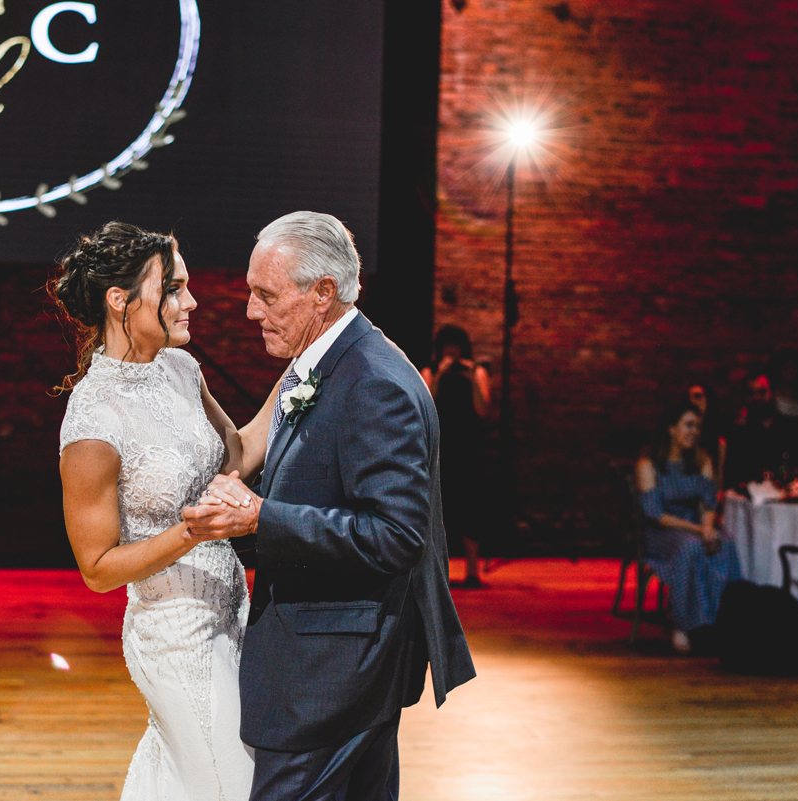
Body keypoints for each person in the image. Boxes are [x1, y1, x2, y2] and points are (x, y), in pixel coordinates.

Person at [182, 212, 476, 800]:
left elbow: (396, 534)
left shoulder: (372, 381)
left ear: (324, 293)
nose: (250, 311)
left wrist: (262, 517)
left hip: (335, 669)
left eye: (265, 295)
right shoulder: (324, 364)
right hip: (337, 658)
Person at [51, 222, 280, 800]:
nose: (192, 301)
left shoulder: (182, 370)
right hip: (176, 640)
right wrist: (190, 532)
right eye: (174, 289)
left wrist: (305, 369)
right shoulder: (92, 421)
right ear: (120, 301)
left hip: (235, 616)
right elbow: (97, 569)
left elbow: (240, 454)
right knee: (240, 789)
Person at [636, 402, 742, 654]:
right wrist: (697, 530)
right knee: (691, 547)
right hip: (662, 530)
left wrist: (707, 527)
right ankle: (683, 624)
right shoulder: (649, 463)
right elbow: (655, 514)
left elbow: (707, 503)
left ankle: (720, 622)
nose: (694, 431)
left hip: (694, 525)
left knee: (723, 544)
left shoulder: (701, 460)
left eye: (697, 427)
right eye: (688, 425)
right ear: (671, 429)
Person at [420, 325, 492, 587]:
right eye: (447, 346)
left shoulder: (477, 372)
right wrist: (439, 374)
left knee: (470, 506)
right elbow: (425, 406)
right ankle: (436, 571)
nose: (452, 351)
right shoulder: (429, 370)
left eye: (456, 346)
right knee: (438, 507)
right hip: (440, 446)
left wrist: (473, 376)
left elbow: (482, 409)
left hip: (468, 445)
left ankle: (473, 571)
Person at [723, 371, 798, 489]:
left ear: (773, 392)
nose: (756, 398)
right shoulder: (738, 433)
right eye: (751, 393)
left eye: (762, 392)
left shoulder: (795, 428)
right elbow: (733, 476)